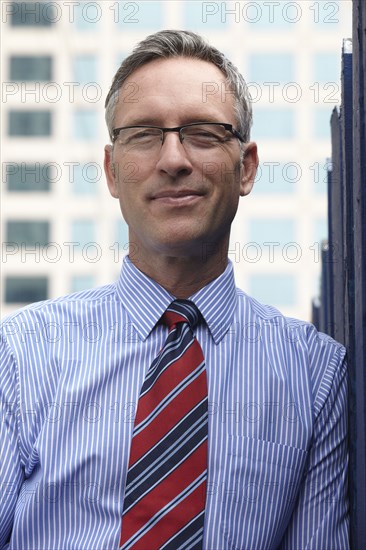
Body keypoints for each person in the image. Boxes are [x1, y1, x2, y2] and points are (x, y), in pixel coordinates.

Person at [0, 30, 349, 549]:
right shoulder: (21, 353)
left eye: (202, 133)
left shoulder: (315, 375)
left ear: (247, 166)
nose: (173, 160)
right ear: (112, 170)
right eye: (143, 134)